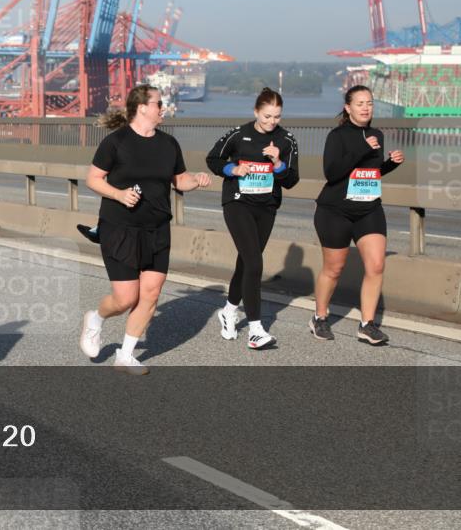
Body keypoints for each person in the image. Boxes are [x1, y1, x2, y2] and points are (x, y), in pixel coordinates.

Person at [78, 85, 211, 374]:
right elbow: (93, 179)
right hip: (120, 227)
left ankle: (125, 356)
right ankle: (96, 318)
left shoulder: (169, 144)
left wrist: (197, 179)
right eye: (158, 103)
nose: (163, 108)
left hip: (157, 228)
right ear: (142, 108)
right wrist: (119, 194)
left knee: (150, 293)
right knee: (126, 298)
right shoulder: (116, 142)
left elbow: (179, 180)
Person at [205, 87, 299, 349]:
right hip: (238, 203)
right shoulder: (239, 134)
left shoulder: (286, 140)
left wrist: (278, 164)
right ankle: (256, 330)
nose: (271, 122)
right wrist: (233, 169)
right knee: (255, 263)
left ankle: (229, 310)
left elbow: (292, 179)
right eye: (267, 116)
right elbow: (213, 159)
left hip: (266, 206)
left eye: (277, 117)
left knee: (247, 262)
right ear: (256, 111)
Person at [311, 85, 403, 345]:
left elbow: (369, 173)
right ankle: (319, 317)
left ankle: (367, 325)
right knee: (334, 269)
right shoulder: (337, 136)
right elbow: (333, 173)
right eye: (360, 103)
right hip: (335, 210)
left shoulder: (376, 134)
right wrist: (362, 148)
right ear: (348, 108)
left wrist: (390, 164)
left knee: (376, 265)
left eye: (369, 103)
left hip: (368, 209)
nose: (365, 108)